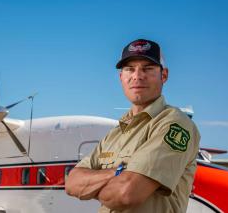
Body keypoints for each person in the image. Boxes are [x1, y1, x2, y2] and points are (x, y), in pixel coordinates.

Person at [65, 39, 200, 213]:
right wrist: (120, 172)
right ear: (121, 77)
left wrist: (92, 185)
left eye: (148, 68)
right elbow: (72, 182)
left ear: (164, 75)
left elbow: (126, 194)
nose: (137, 76)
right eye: (129, 69)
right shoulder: (116, 132)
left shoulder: (174, 123)